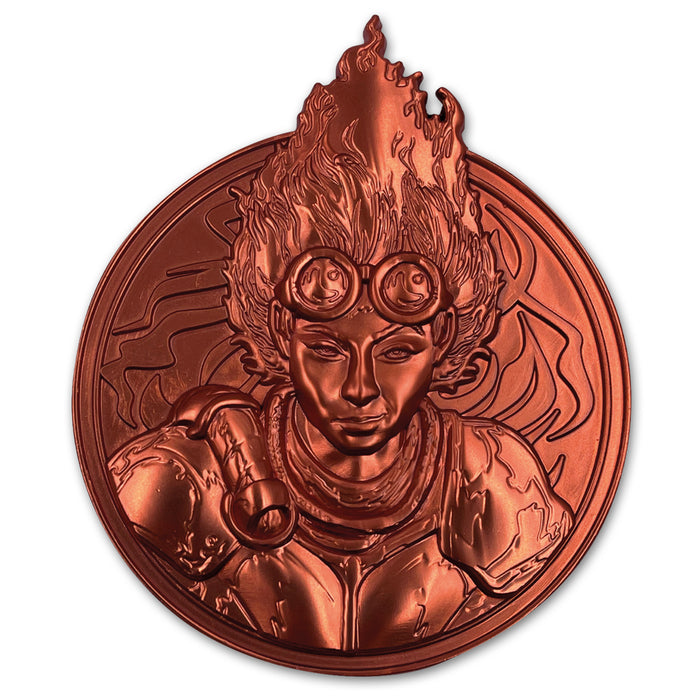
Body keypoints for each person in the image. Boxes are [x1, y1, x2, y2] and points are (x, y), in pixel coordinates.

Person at [108, 17, 573, 651]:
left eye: (398, 351)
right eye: (327, 349)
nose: (360, 388)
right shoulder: (184, 478)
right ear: (281, 330)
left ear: (443, 338)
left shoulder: (494, 482)